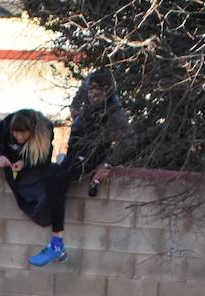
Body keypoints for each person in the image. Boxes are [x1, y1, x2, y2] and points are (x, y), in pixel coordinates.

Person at [27, 68, 134, 267]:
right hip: (75, 150)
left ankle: (57, 244)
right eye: (91, 91)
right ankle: (53, 237)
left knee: (58, 179)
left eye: (98, 93)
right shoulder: (86, 90)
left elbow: (130, 140)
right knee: (51, 179)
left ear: (108, 92)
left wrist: (108, 164)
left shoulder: (114, 111)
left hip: (92, 155)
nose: (94, 96)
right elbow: (75, 104)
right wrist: (78, 112)